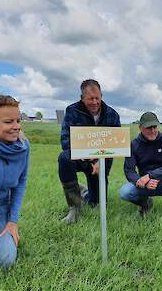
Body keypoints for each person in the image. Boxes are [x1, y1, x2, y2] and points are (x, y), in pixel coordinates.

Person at [58, 79, 120, 224]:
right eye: (90, 99)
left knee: (96, 203)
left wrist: (100, 163)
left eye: (97, 98)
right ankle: (74, 207)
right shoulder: (72, 111)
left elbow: (115, 144)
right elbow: (66, 141)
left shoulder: (112, 115)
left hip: (101, 163)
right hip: (80, 159)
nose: (94, 102)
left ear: (101, 96)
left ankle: (84, 193)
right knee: (64, 158)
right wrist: (90, 160)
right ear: (82, 98)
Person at [120, 112, 162, 227]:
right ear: (140, 128)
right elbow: (129, 170)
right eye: (149, 128)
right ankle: (146, 204)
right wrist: (141, 181)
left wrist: (150, 176)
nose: (153, 130)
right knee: (125, 192)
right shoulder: (134, 145)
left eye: (154, 127)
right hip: (145, 185)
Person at [0, 94, 29, 268]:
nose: (16, 127)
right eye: (9, 122)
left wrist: (12, 221)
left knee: (4, 261)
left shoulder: (23, 146)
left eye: (18, 120)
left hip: (0, 207)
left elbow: (21, 182)